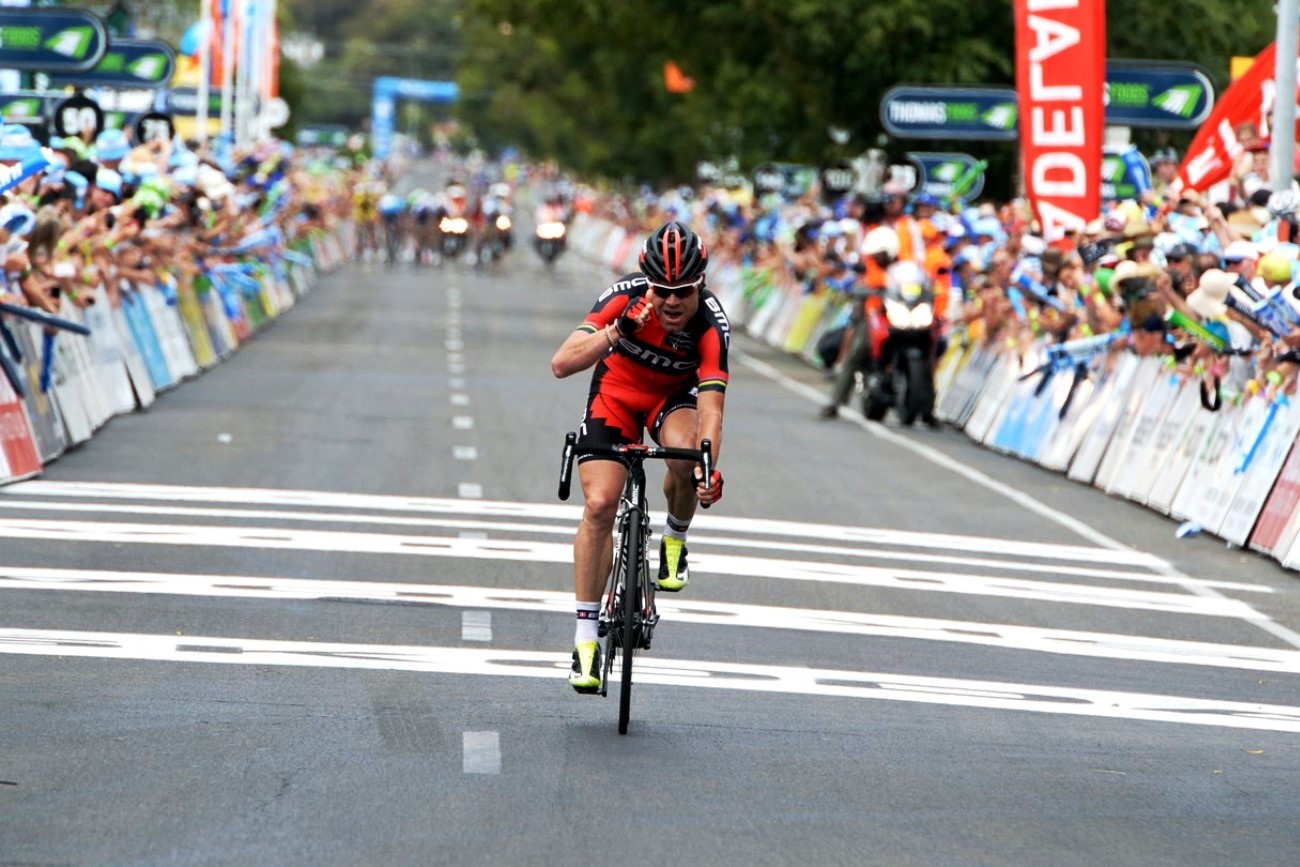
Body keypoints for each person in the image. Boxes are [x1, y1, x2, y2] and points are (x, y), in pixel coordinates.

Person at [550, 221, 729, 693]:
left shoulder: (711, 325)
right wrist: (616, 332)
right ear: (646, 282)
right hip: (615, 394)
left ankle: (675, 538)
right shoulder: (623, 298)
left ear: (701, 285)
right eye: (662, 290)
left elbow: (711, 408)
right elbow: (562, 363)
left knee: (688, 456)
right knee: (599, 504)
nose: (671, 302)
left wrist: (708, 469)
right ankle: (585, 639)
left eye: (683, 292)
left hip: (672, 399)